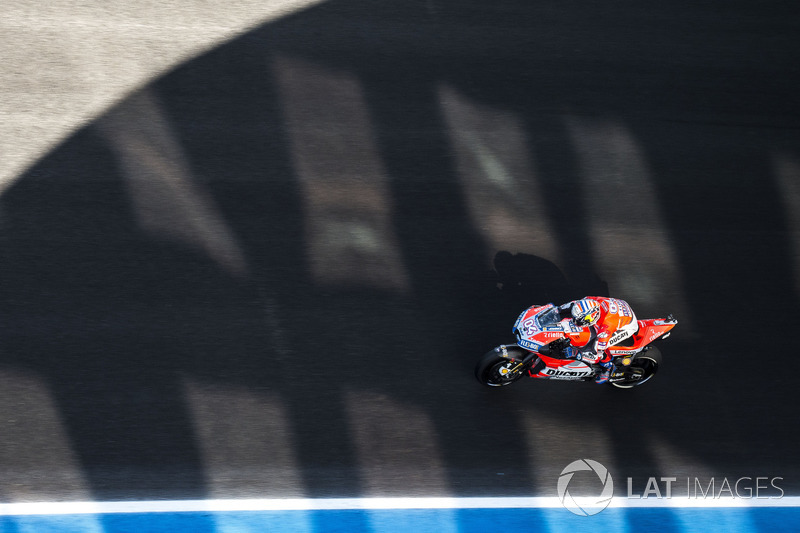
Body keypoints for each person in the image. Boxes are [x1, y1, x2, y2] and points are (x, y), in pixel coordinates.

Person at [555, 297, 638, 384]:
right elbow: (574, 303)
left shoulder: (605, 327)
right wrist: (557, 310)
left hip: (628, 326)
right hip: (619, 308)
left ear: (591, 317)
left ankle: (607, 368)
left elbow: (596, 353)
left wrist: (576, 353)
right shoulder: (590, 301)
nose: (576, 322)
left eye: (579, 321)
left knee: (599, 347)